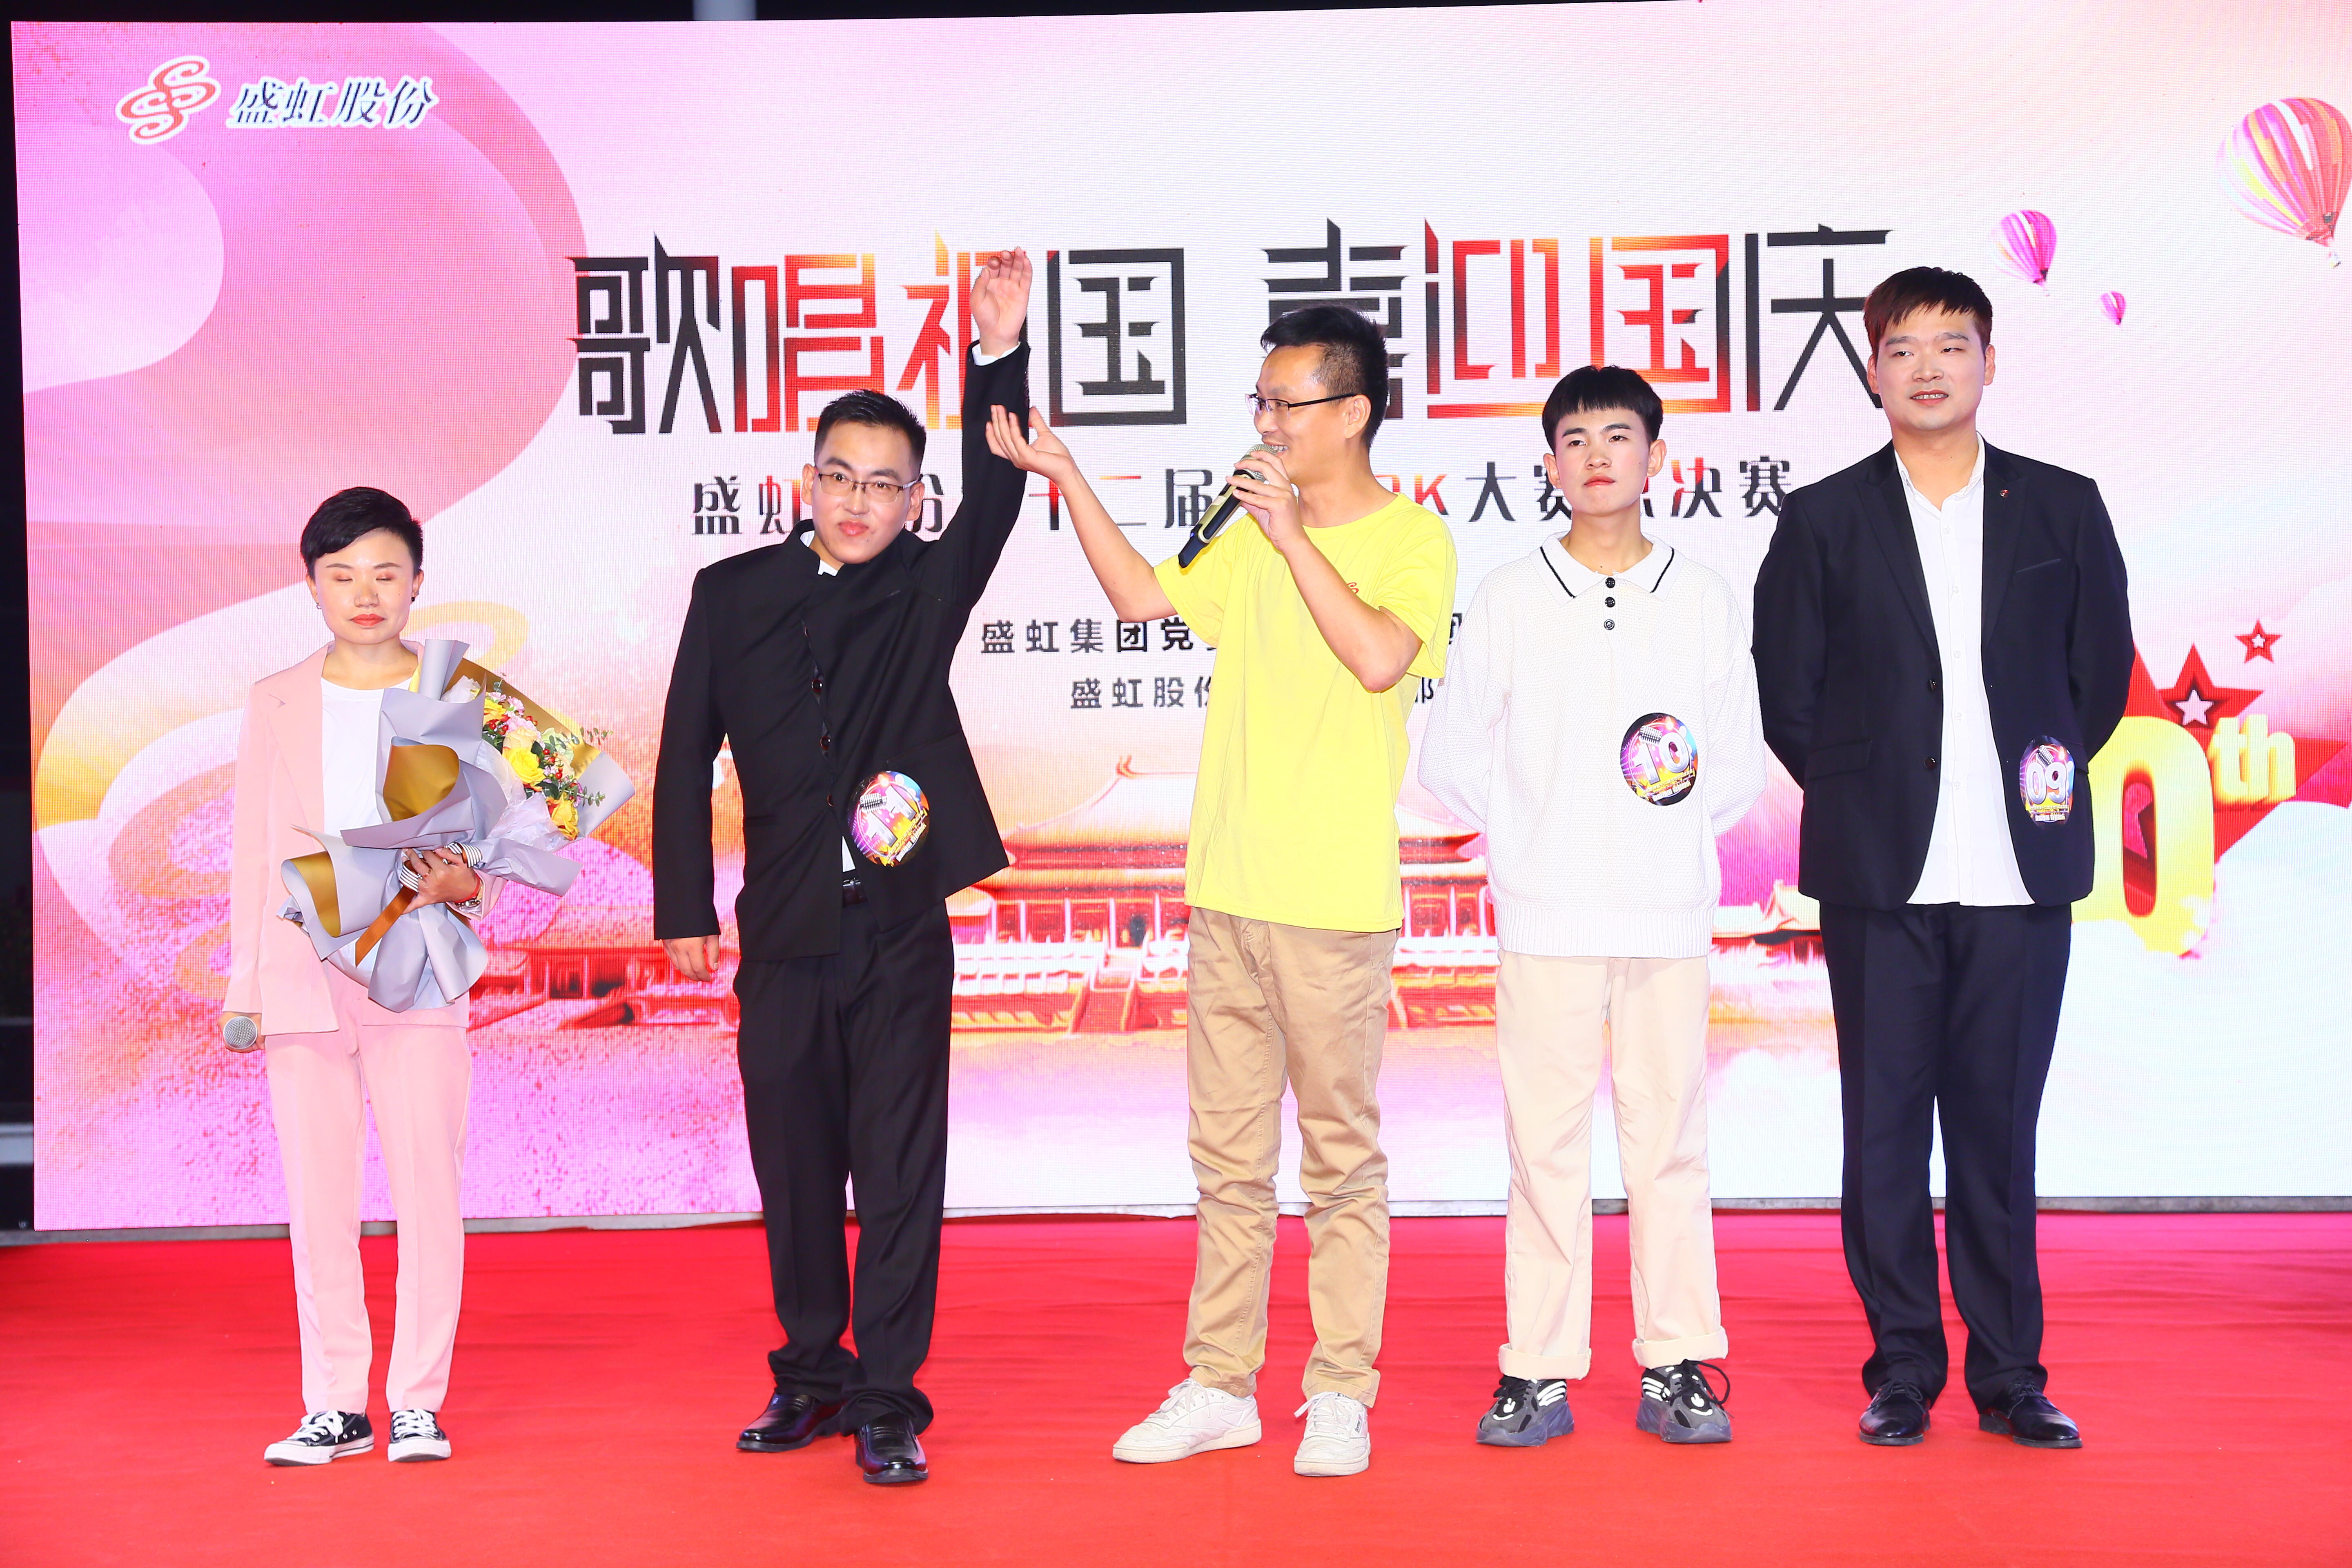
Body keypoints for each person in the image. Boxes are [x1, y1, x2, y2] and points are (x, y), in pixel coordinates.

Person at [988, 304, 1457, 1478]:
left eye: (1284, 403)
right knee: (1230, 1166)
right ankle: (1220, 1383)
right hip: (1228, 893)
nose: (1265, 422)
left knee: (1340, 1163)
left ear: (1352, 413)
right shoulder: (1246, 529)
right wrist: (1069, 477)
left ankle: (1340, 1390)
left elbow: (1379, 659)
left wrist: (1293, 537)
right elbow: (1142, 600)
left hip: (1334, 902)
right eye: (1260, 402)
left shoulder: (1413, 539)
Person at [652, 249, 1034, 1488]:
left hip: (900, 927)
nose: (860, 501)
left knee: (902, 1169)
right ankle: (811, 1375)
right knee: (797, 1162)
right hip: (784, 929)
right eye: (840, 477)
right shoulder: (730, 594)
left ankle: (887, 1397)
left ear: (915, 501)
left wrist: (996, 356)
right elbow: (683, 753)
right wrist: (681, 907)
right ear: (804, 482)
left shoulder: (926, 589)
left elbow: (1000, 494)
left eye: (885, 484)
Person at [1752, 267, 2132, 1449]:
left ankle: (2011, 1375)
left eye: (1952, 345)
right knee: (1883, 1133)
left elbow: (2097, 679)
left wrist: (2031, 779)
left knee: (1997, 1133)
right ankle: (1904, 1367)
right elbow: (1790, 695)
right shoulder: (1823, 518)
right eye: (1904, 349)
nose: (1928, 368)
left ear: (1990, 362)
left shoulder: (2062, 506)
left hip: (2020, 872)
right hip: (1881, 874)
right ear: (1873, 371)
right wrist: (1874, 793)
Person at [1419, 365, 1764, 1449]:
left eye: (1620, 436)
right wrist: (1538, 832)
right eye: (1576, 439)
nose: (1598, 456)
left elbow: (1736, 764)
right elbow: (1449, 756)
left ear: (1658, 458)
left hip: (1666, 917)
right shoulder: (1511, 597)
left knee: (1670, 1145)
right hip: (1547, 919)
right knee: (1545, 1150)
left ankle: (1678, 1362)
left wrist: (1659, 834)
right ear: (1551, 464)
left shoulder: (1701, 595)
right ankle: (1537, 1370)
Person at [225, 488, 510, 1466]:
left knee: (430, 1190)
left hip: (417, 965)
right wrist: (244, 990)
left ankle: (417, 1401)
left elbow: (533, 817)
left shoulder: (460, 692)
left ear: (417, 582)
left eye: (385, 573)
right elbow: (253, 851)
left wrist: (472, 883)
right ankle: (336, 1404)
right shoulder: (274, 697)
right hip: (302, 970)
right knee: (319, 1200)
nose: (364, 593)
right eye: (342, 575)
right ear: (311, 586)